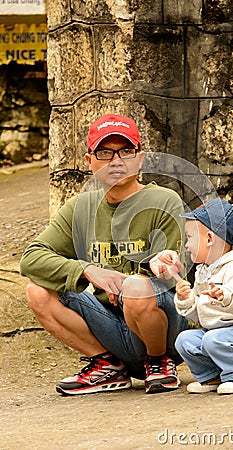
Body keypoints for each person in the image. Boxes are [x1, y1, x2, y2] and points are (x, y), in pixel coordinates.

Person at [20, 113, 188, 395]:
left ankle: (158, 363)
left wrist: (134, 278)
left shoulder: (163, 200)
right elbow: (31, 258)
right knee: (37, 290)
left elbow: (171, 274)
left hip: (161, 327)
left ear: (140, 158)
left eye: (126, 151)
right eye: (105, 153)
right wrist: (88, 271)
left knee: (136, 288)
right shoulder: (80, 207)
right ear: (90, 161)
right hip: (109, 326)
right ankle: (107, 365)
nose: (116, 160)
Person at [153, 199, 233, 395]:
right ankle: (212, 375)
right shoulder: (205, 271)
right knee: (184, 340)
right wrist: (187, 300)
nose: (186, 245)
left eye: (189, 237)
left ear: (209, 239)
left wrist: (225, 296)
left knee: (212, 339)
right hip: (220, 336)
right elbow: (201, 314)